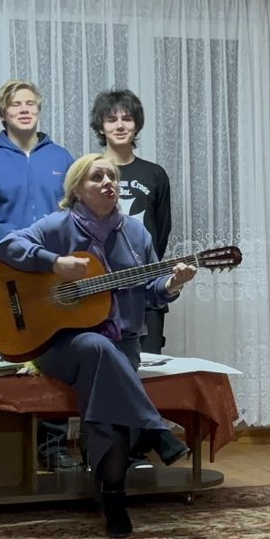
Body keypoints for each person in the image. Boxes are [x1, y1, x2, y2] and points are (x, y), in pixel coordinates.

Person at [0, 153, 197, 538]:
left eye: (112, 176)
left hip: (122, 341)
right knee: (94, 348)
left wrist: (172, 284)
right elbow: (6, 246)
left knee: (106, 378)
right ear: (77, 189)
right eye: (97, 177)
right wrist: (53, 263)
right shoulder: (57, 226)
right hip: (57, 343)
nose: (108, 182)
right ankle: (153, 433)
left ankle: (113, 496)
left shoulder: (136, 234)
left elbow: (151, 291)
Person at [0, 79, 77, 471]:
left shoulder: (62, 157)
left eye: (30, 103)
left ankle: (53, 447)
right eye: (15, 105)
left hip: (52, 274)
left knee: (55, 358)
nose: (24, 110)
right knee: (4, 360)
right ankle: (3, 450)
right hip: (3, 279)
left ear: (39, 109)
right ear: (3, 113)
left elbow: (76, 212)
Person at [91, 88, 172, 354]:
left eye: (127, 119)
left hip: (145, 291)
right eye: (111, 119)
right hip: (99, 294)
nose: (120, 126)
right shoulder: (89, 172)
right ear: (101, 127)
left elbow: (161, 231)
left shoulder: (155, 174)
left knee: (150, 369)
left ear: (136, 125)